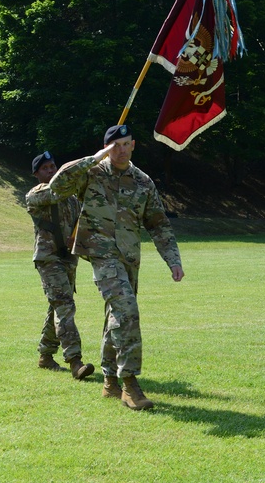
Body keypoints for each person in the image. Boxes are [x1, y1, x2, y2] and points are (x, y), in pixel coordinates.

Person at [48, 124, 184, 410]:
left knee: (117, 316)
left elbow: (158, 224)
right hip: (101, 255)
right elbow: (57, 186)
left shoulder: (143, 182)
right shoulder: (91, 174)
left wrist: (173, 260)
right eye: (114, 146)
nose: (120, 151)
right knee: (127, 311)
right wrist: (93, 158)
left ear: (133, 145)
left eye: (125, 144)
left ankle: (109, 380)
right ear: (107, 148)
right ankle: (130, 384)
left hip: (129, 258)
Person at [26, 151, 94, 380]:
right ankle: (75, 361)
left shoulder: (72, 199)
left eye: (53, 166)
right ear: (36, 174)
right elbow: (54, 192)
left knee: (57, 307)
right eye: (45, 168)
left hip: (68, 258)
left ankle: (45, 355)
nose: (51, 171)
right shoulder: (36, 195)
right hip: (48, 258)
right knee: (65, 305)